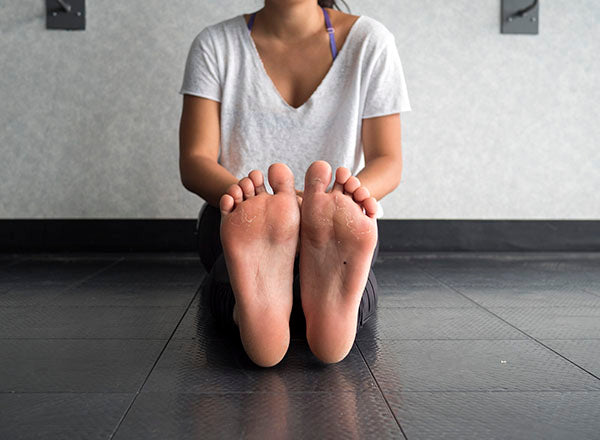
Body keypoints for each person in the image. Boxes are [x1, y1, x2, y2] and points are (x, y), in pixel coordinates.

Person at [178, 0, 411, 367]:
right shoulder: (215, 44)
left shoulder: (370, 41)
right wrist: (244, 198)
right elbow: (195, 162)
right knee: (242, 257)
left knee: (340, 261)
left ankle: (251, 314)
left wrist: (346, 198)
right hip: (241, 214)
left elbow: (388, 162)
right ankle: (292, 309)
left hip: (334, 219)